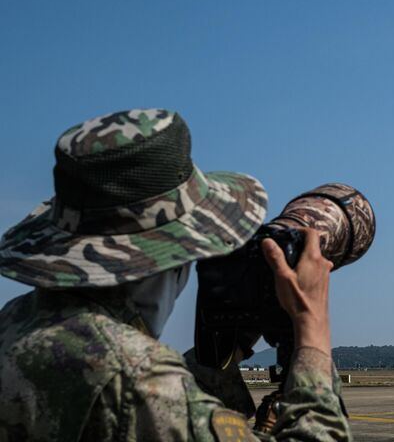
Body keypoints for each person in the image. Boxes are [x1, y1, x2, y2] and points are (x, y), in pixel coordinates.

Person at [0, 109, 351, 441]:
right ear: (171, 259)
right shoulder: (133, 377)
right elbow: (147, 397)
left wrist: (221, 353)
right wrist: (312, 329)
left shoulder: (14, 324)